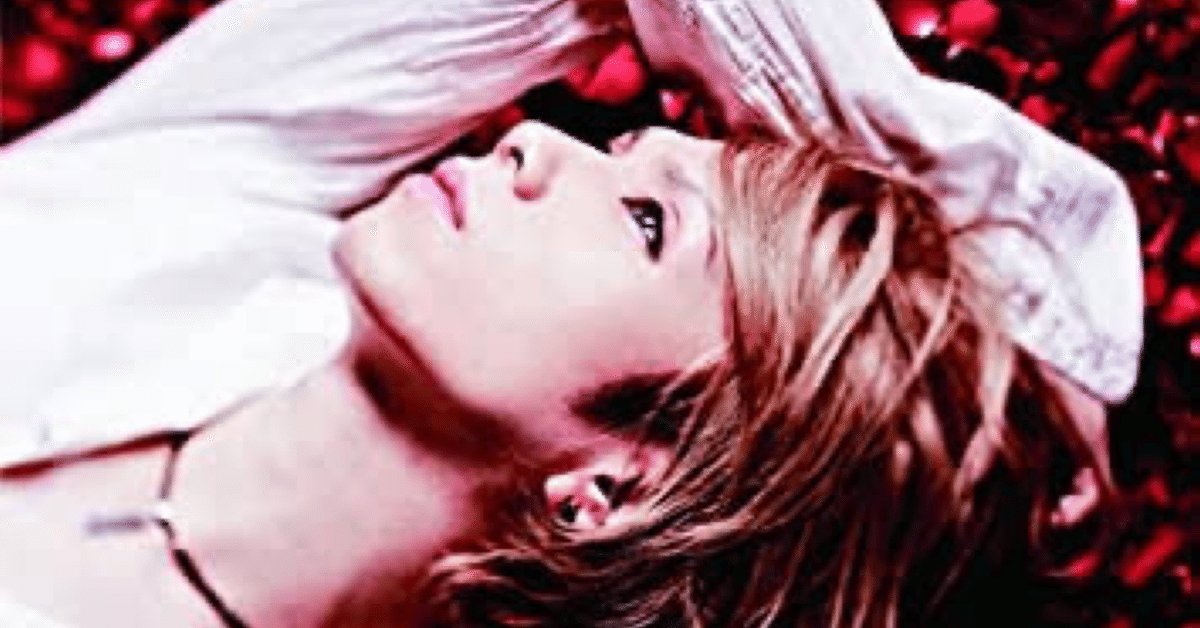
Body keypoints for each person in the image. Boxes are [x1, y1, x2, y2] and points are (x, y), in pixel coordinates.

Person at [0, 0, 1143, 626]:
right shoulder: (235, 218)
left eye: (647, 222)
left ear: (623, 487)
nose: (539, 145)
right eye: (620, 149)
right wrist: (958, 255)